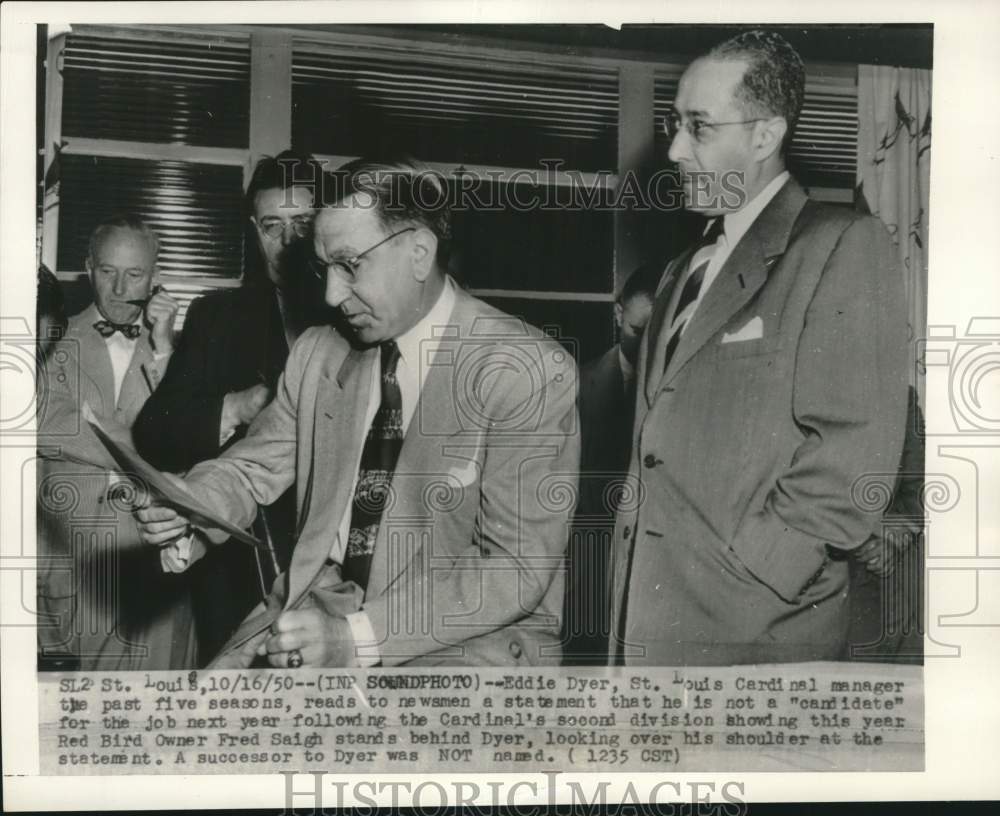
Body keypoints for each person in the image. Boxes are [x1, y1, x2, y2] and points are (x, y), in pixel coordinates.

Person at [135, 157, 579, 668]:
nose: (330, 294)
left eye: (349, 265)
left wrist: (355, 639)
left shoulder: (526, 369)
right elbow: (253, 466)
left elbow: (515, 567)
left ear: (419, 253)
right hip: (313, 606)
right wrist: (191, 502)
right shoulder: (321, 352)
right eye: (324, 269)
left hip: (457, 644)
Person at [609, 30, 909, 666]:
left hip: (756, 628)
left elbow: (853, 456)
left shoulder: (841, 245)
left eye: (698, 127)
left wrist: (761, 570)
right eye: (673, 124)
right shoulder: (679, 271)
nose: (673, 150)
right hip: (642, 619)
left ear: (765, 136)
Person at [132, 150, 326, 663]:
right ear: (252, 231)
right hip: (238, 572)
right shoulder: (218, 316)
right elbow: (154, 431)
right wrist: (237, 408)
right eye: (272, 226)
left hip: (336, 580)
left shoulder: (359, 314)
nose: (288, 243)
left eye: (303, 223)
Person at [37, 214, 196, 670]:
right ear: (88, 268)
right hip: (77, 563)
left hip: (158, 564)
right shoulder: (51, 339)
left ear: (156, 276)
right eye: (108, 272)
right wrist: (146, 439)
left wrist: (164, 350)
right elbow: (45, 421)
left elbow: (190, 440)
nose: (121, 288)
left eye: (135, 274)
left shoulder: (181, 352)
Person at [563, 262, 659, 664]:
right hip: (586, 581)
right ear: (618, 314)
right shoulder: (574, 387)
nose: (646, 345)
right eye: (638, 331)